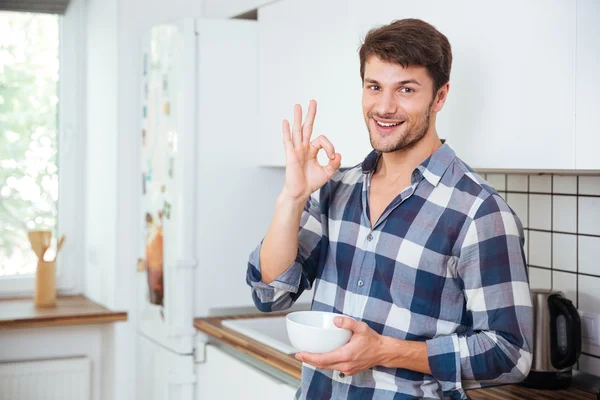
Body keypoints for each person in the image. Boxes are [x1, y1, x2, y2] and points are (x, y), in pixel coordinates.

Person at [246, 18, 533, 400]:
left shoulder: (479, 212)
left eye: (406, 89)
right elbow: (271, 295)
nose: (384, 106)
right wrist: (292, 197)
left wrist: (385, 350)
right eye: (374, 87)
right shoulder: (337, 189)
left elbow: (509, 354)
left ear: (440, 96)